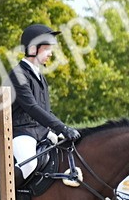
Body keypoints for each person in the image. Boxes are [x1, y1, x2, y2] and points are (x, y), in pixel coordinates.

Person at [9, 23, 81, 181]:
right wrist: (61, 127)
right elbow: (31, 107)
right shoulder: (18, 74)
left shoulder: (40, 76)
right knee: (28, 164)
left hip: (41, 132)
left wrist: (63, 129)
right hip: (23, 133)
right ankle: (2, 199)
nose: (50, 53)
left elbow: (45, 110)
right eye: (47, 48)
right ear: (33, 49)